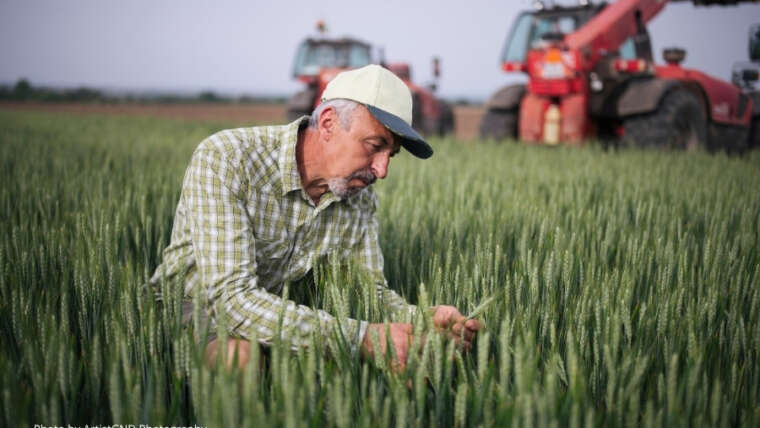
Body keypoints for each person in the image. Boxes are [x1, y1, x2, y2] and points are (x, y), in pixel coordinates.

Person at [149, 64, 482, 370]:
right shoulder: (227, 158)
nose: (382, 171)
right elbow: (232, 299)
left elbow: (369, 291)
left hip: (281, 311)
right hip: (196, 306)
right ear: (327, 124)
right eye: (374, 146)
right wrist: (362, 338)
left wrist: (423, 318)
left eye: (390, 155)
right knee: (240, 358)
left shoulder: (358, 199)